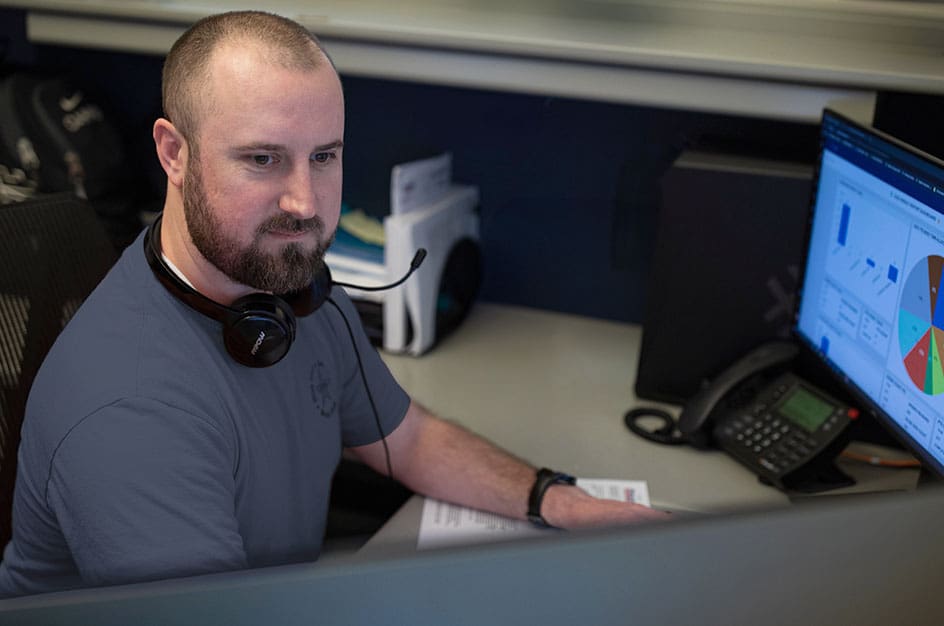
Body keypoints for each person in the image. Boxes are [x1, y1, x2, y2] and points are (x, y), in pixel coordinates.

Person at [0, 10, 668, 598]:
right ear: (174, 153)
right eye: (262, 159)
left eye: (324, 156)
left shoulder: (289, 291)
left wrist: (560, 500)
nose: (305, 201)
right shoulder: (130, 416)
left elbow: (408, 439)